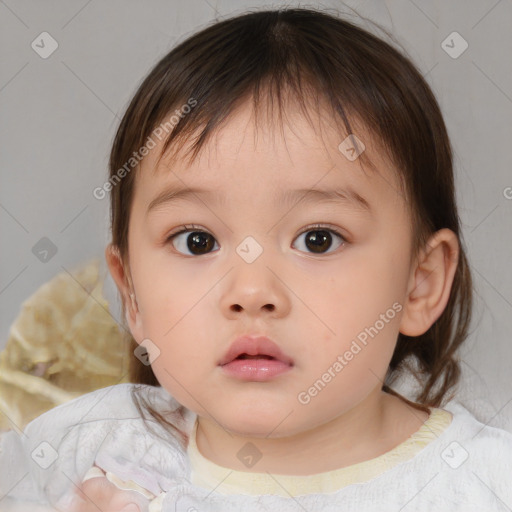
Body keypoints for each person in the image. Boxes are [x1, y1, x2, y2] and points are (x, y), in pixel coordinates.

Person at [1, 7, 511, 512]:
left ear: (418, 284)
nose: (251, 293)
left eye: (317, 239)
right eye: (196, 241)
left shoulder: (481, 485)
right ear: (131, 291)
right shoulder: (83, 452)